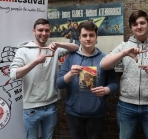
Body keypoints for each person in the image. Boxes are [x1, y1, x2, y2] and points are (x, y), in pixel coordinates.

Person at [10, 18, 78, 139]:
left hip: (51, 105)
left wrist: (59, 44)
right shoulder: (23, 51)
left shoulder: (54, 49)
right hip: (31, 108)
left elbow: (76, 48)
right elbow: (14, 74)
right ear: (33, 31)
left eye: (47, 30)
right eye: (40, 30)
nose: (44, 33)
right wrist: (35, 62)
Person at [56, 21, 118, 139]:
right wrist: (70, 74)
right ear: (79, 38)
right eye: (84, 35)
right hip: (74, 113)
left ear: (96, 37)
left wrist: (106, 90)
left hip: (96, 113)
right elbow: (59, 84)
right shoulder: (71, 57)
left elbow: (114, 83)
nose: (88, 39)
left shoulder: (105, 59)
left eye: (91, 35)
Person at [100, 10, 148, 139]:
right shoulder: (124, 46)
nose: (139, 26)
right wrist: (124, 53)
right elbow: (104, 65)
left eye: (142, 23)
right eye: (135, 24)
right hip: (126, 106)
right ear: (131, 27)